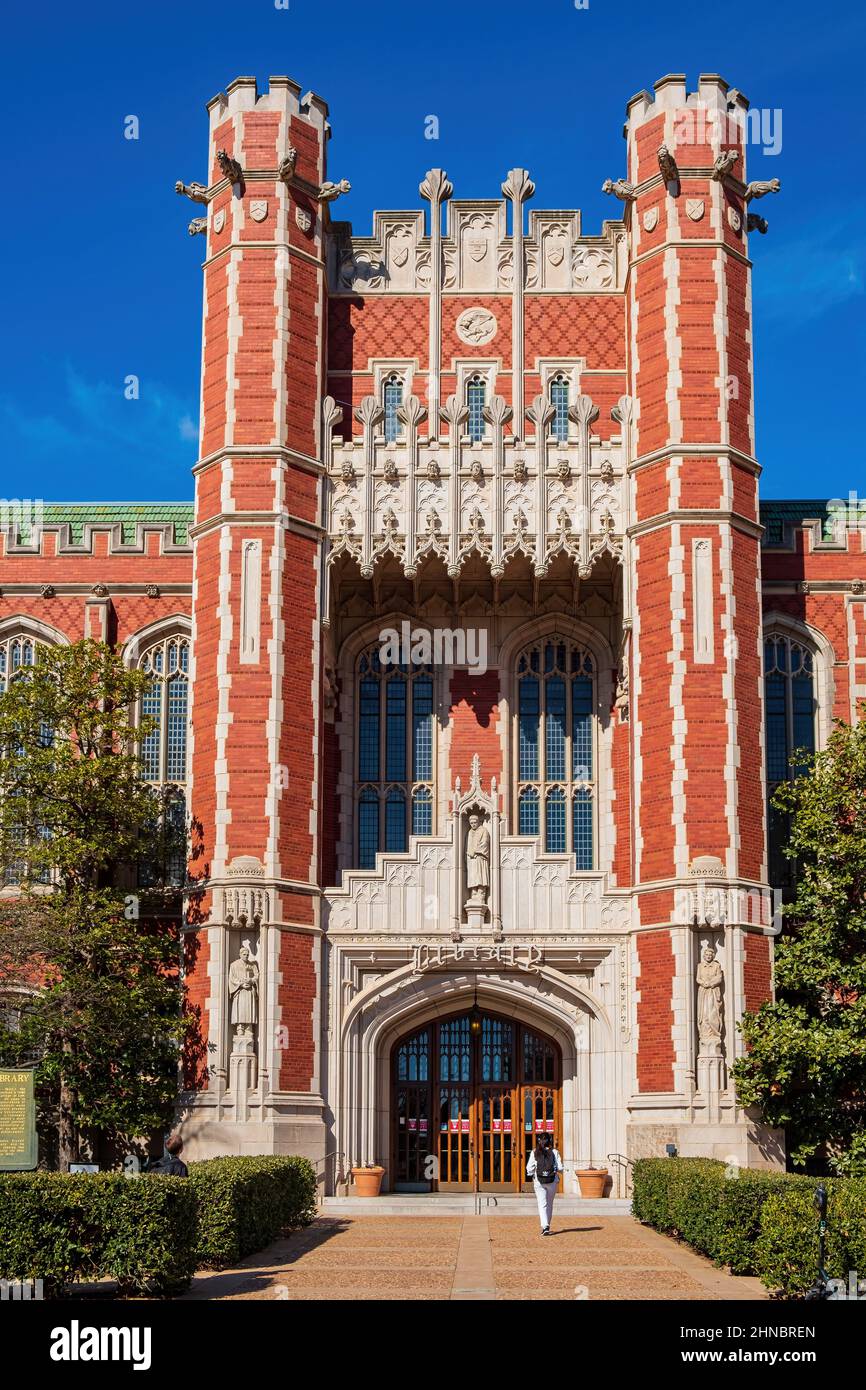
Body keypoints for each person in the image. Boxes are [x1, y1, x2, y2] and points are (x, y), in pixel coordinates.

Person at [526, 1132, 563, 1235]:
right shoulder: (555, 1152)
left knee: (542, 1204)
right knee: (549, 1204)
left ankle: (545, 1226)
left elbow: (529, 1168)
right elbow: (560, 1168)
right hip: (552, 1181)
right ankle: (547, 1225)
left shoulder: (535, 1152)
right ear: (550, 1141)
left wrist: (532, 1173)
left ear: (539, 1141)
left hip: (539, 1181)